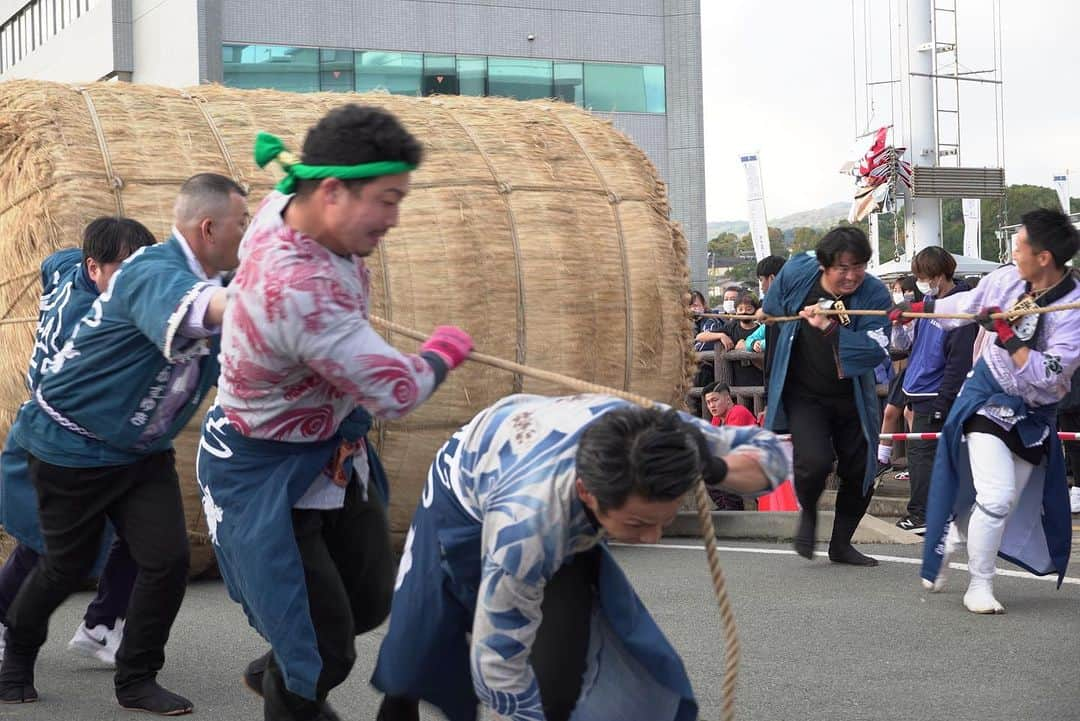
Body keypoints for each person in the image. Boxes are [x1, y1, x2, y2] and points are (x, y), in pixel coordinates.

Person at [195, 105, 473, 721]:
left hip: (328, 449)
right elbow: (396, 394)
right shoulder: (298, 292)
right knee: (321, 652)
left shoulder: (292, 198)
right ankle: (291, 688)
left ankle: (281, 677)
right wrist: (441, 352)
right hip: (263, 467)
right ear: (331, 193)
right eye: (387, 199)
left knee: (371, 601)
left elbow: (290, 173)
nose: (394, 219)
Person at [372, 394, 790, 721]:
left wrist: (710, 465)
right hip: (468, 481)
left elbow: (772, 452)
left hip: (557, 461)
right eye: (640, 522)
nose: (653, 538)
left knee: (559, 671)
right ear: (589, 493)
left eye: (663, 520)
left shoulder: (663, 436)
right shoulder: (529, 525)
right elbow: (497, 659)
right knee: (423, 629)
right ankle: (399, 700)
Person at [0, 173, 249, 714]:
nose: (246, 233)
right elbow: (211, 310)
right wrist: (275, 297)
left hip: (139, 453)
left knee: (166, 559)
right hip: (70, 448)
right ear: (208, 228)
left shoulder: (215, 275)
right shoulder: (150, 272)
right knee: (62, 565)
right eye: (240, 224)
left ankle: (136, 678)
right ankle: (15, 658)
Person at [907, 208, 1080, 614]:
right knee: (998, 496)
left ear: (1044, 257)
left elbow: (1049, 374)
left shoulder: (1071, 310)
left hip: (1035, 411)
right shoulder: (1004, 279)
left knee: (1003, 502)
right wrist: (919, 310)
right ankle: (980, 584)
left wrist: (1004, 333)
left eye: (1020, 245)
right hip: (987, 396)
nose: (1013, 250)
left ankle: (952, 535)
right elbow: (966, 307)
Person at [0, 217, 155, 666]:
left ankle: (103, 624)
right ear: (95, 268)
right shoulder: (93, 324)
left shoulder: (69, 271)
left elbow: (55, 260)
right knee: (47, 543)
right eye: (125, 267)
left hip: (85, 440)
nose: (139, 278)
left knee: (137, 534)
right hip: (59, 441)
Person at [762, 226, 891, 565]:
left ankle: (842, 543)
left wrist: (831, 327)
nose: (852, 276)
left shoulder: (874, 295)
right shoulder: (798, 271)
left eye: (860, 266)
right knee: (814, 461)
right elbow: (775, 305)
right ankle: (808, 512)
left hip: (852, 396)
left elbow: (876, 351)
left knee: (862, 468)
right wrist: (769, 313)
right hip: (805, 393)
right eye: (843, 268)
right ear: (824, 266)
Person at [889, 248, 977, 534]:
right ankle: (936, 512)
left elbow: (959, 361)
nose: (921, 282)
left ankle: (922, 514)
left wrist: (944, 401)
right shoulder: (927, 302)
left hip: (937, 392)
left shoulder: (961, 307)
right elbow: (904, 346)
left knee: (923, 456)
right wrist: (900, 323)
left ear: (940, 275)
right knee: (926, 455)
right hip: (918, 388)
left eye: (925, 277)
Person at [876, 275, 922, 477]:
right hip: (909, 366)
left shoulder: (923, 312)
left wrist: (908, 321)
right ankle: (883, 457)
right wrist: (897, 324)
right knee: (891, 412)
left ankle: (916, 458)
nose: (897, 294)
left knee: (908, 414)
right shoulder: (902, 314)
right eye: (894, 290)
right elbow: (901, 345)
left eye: (899, 290)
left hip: (920, 368)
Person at [704, 382, 758, 510]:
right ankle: (724, 506)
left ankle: (733, 508)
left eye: (715, 400)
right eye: (708, 402)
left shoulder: (738, 412)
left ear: (728, 399)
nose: (711, 406)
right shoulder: (717, 419)